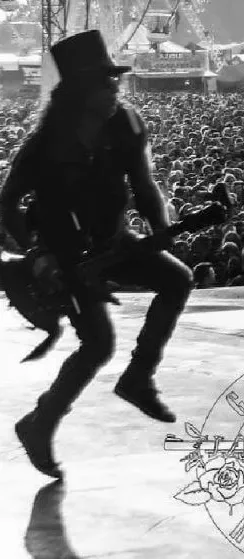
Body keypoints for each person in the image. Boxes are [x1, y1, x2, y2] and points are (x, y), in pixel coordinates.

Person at [0, 30, 193, 479]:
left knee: (177, 278)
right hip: (64, 256)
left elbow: (144, 185)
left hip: (112, 240)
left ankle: (138, 377)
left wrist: (161, 229)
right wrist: (35, 255)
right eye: (105, 82)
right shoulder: (43, 144)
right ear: (79, 90)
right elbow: (7, 201)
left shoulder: (125, 124)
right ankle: (40, 423)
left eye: (115, 81)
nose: (114, 89)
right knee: (98, 345)